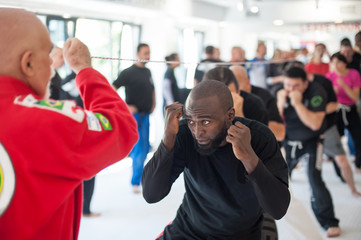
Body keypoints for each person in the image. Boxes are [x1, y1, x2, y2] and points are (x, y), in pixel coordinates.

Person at [0, 8, 138, 239]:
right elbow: (122, 127)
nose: (53, 68)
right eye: (49, 57)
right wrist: (84, 70)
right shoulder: (46, 121)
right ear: (29, 64)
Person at [142, 79, 290, 239]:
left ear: (230, 115)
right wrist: (167, 140)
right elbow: (151, 194)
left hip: (240, 235)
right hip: (188, 230)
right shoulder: (184, 134)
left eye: (205, 122)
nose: (197, 132)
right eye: (191, 121)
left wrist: (249, 158)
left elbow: (278, 210)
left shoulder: (259, 138)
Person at [277, 66, 340, 237]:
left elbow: (314, 124)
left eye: (295, 86)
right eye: (288, 85)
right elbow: (275, 124)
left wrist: (297, 103)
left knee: (314, 179)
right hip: (289, 142)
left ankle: (329, 221)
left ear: (305, 84)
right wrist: (279, 104)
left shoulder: (316, 92)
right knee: (276, 178)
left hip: (312, 141)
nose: (291, 89)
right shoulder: (280, 91)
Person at [112, 43, 155, 194]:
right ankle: (135, 182)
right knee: (138, 149)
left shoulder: (148, 72)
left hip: (146, 115)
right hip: (134, 116)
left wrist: (154, 103)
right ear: (137, 54)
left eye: (149, 53)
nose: (147, 56)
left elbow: (152, 89)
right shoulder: (128, 72)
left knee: (144, 149)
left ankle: (140, 179)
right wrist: (125, 107)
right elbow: (112, 89)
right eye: (145, 53)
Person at [230, 65, 285, 142]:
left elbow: (281, 133)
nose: (232, 93)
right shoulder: (225, 98)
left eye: (236, 88)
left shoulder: (263, 97)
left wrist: (255, 118)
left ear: (247, 82)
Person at [326, 53, 361, 173]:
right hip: (337, 111)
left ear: (344, 63)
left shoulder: (354, 74)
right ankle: (339, 171)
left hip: (350, 110)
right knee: (336, 140)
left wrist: (344, 86)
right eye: (333, 62)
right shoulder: (329, 76)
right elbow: (328, 100)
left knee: (358, 137)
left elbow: (355, 97)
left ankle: (358, 164)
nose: (335, 65)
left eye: (338, 62)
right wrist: (333, 93)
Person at [203, 66, 269, 126]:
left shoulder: (254, 105)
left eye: (228, 95)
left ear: (238, 92)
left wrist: (237, 117)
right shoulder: (195, 106)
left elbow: (261, 138)